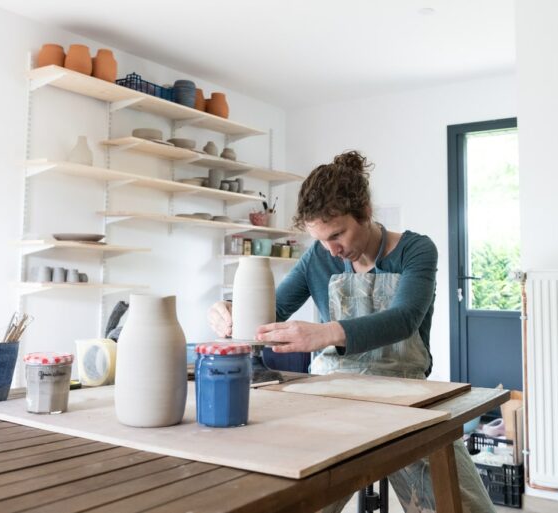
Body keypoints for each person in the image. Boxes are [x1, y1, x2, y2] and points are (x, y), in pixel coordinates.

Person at [207, 150, 495, 512]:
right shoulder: (319, 256)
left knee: (465, 506)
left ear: (365, 213)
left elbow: (404, 317)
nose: (332, 248)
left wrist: (324, 333)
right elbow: (272, 312)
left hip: (405, 398)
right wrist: (230, 311)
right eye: (322, 238)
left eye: (338, 234)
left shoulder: (415, 250)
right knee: (289, 499)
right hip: (332, 398)